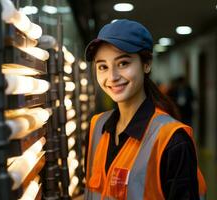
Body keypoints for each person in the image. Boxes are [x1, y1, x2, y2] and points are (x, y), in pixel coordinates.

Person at [84, 19, 206, 200]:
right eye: (103, 66)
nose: (112, 77)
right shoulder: (97, 126)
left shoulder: (172, 139)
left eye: (123, 63)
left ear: (146, 64)